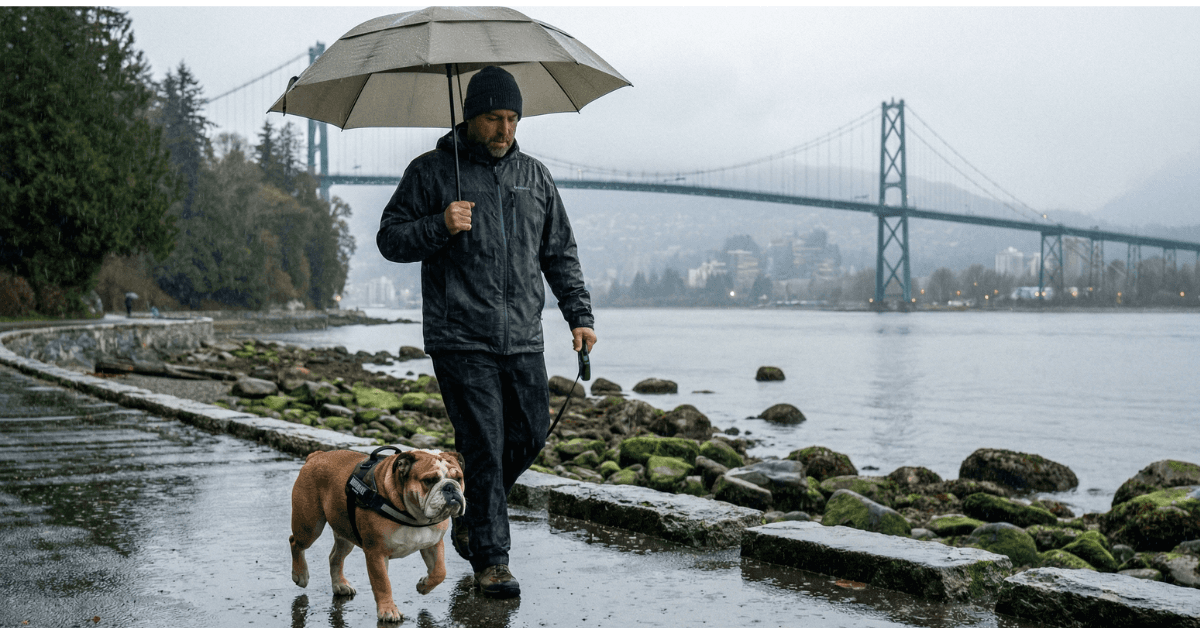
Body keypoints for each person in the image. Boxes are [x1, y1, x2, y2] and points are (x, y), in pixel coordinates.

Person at [376, 65, 596, 599]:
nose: (505, 130)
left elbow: (559, 252)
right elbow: (390, 238)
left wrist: (580, 315)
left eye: (513, 119)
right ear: (471, 117)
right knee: (485, 444)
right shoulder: (430, 172)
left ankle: (470, 518)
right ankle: (492, 562)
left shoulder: (536, 177)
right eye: (495, 119)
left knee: (529, 432)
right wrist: (439, 225)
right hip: (460, 336)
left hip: (523, 336)